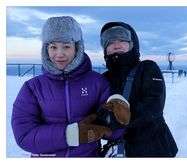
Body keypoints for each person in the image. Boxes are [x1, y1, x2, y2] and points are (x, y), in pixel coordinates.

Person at [11, 16, 124, 157]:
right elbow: (25, 136)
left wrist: (117, 119)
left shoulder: (98, 83)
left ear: (77, 47)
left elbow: (111, 133)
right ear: (46, 49)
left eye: (66, 46)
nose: (59, 54)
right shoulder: (33, 87)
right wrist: (71, 135)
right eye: (53, 47)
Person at [99, 22, 178, 157]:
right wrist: (104, 119)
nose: (116, 45)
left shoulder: (147, 68)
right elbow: (98, 110)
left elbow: (154, 106)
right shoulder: (103, 79)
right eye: (111, 42)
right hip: (119, 151)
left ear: (132, 44)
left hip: (154, 148)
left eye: (122, 40)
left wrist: (118, 119)